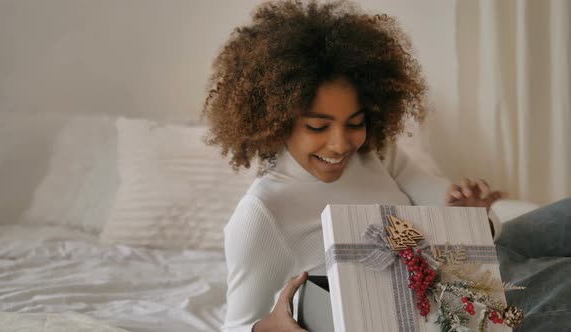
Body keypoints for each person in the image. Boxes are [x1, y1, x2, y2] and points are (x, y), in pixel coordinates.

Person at [202, 1, 570, 331]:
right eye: (317, 126)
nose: (341, 144)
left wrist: (471, 215)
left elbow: (450, 214)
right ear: (277, 121)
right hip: (447, 306)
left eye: (355, 122)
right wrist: (268, 328)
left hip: (467, 257)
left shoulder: (376, 153)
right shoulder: (261, 214)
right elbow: (238, 325)